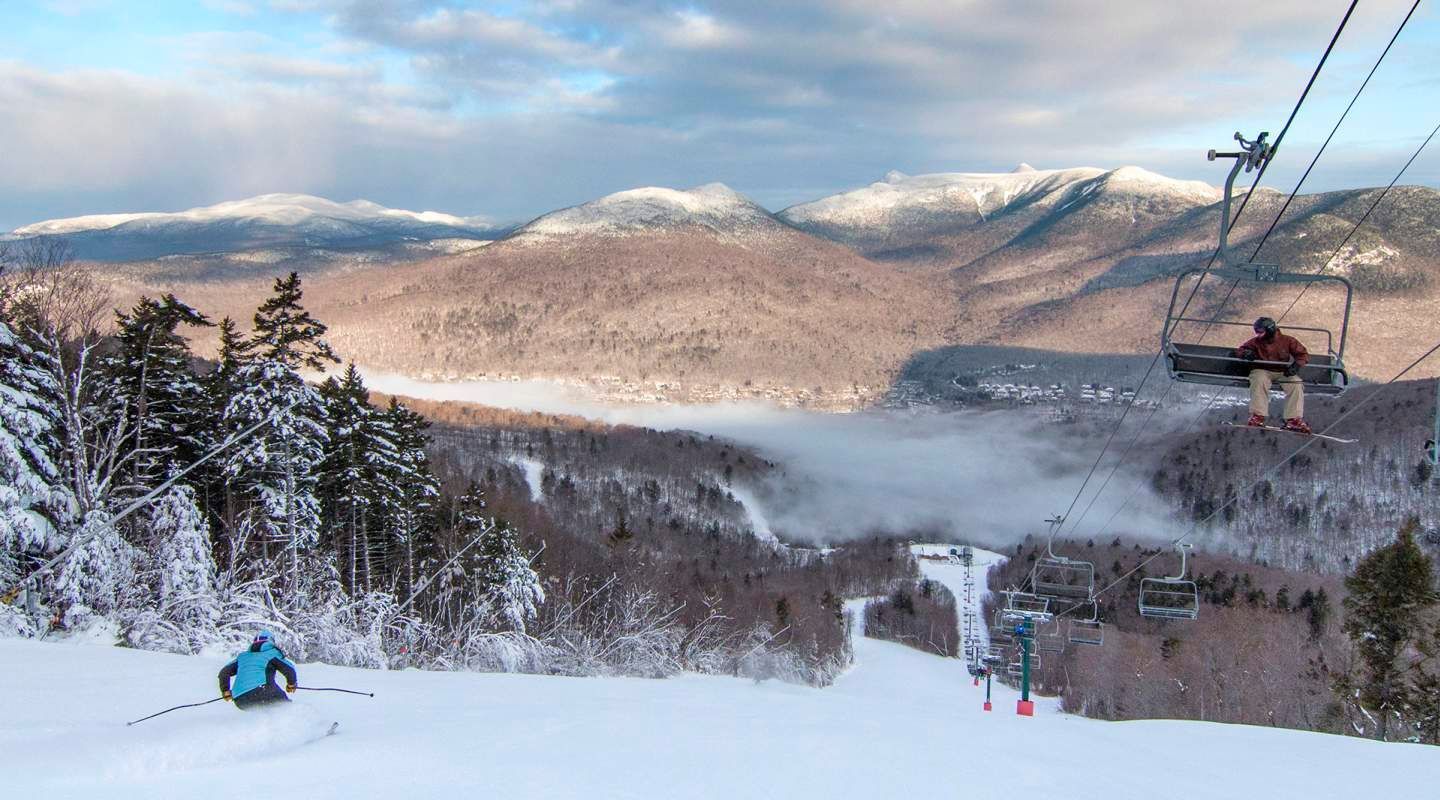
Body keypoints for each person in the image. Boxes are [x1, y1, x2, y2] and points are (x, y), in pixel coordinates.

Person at [1236, 316, 1311, 433]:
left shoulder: (1287, 341)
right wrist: (1246, 353)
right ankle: (1258, 415)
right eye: (1257, 332)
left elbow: (1302, 354)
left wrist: (1296, 366)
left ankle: (1293, 418)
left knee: (1296, 384)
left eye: (1261, 332)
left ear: (1270, 330)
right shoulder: (1256, 342)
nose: (1258, 335)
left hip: (1282, 371)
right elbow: (1240, 350)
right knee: (1259, 380)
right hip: (1263, 370)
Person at [218, 629, 297, 710]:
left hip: (240, 698)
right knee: (285, 707)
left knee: (261, 714)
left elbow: (224, 673)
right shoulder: (272, 653)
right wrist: (291, 684)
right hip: (263, 691)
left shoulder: (243, 657)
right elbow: (289, 669)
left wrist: (225, 691)